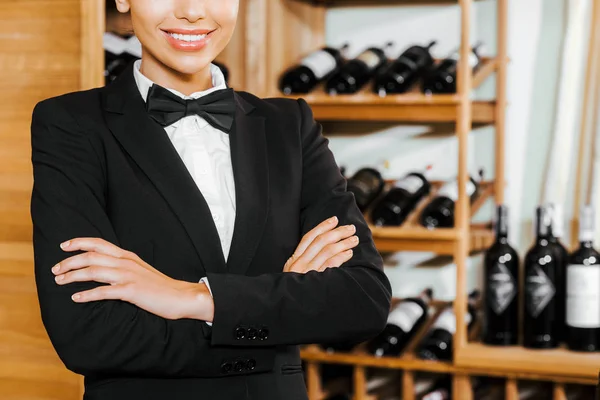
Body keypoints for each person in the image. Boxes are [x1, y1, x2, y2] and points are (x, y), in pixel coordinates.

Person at [29, 1, 392, 399]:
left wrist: (192, 298)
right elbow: (87, 334)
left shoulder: (290, 126)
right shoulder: (69, 124)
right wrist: (279, 314)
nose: (192, 12)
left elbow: (363, 299)